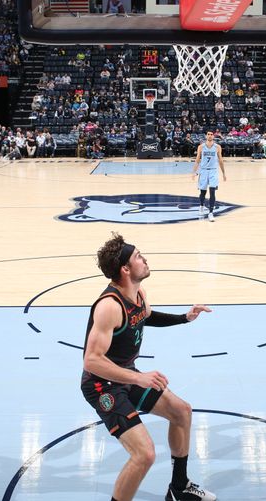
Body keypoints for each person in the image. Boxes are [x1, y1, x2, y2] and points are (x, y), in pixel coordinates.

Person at [81, 234, 216, 501]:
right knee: (144, 454)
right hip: (101, 385)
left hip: (127, 375)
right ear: (125, 269)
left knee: (181, 412)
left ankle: (179, 488)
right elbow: (92, 361)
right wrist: (138, 377)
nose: (145, 259)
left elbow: (145, 316)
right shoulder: (109, 306)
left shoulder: (138, 293)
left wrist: (184, 318)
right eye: (138, 256)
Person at [191, 131, 226, 222]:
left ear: (213, 136)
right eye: (208, 134)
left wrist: (223, 173)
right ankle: (202, 205)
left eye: (211, 134)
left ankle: (211, 213)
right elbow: (197, 160)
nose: (210, 136)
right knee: (203, 192)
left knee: (212, 191)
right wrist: (194, 172)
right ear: (206, 136)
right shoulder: (201, 147)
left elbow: (221, 160)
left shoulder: (217, 147)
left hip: (213, 171)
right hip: (203, 171)